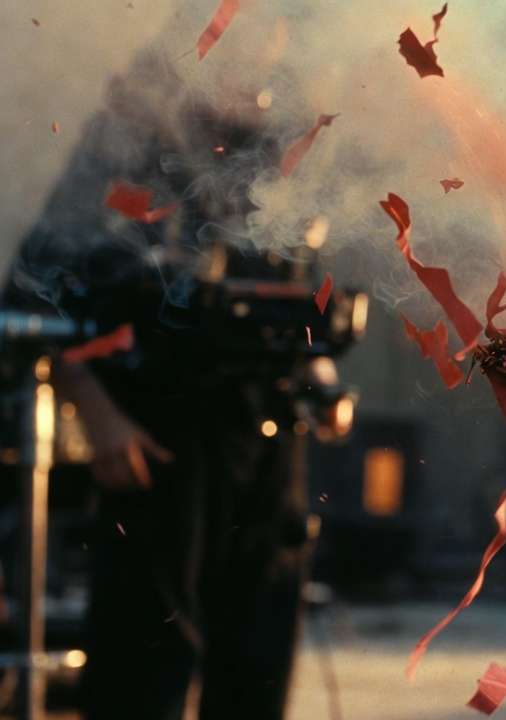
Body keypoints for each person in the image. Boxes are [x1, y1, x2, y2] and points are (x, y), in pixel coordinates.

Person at [3, 45, 342, 719]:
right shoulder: (134, 131)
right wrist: (95, 410)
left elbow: (294, 293)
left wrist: (320, 373)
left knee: (256, 665)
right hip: (158, 434)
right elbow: (38, 287)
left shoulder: (281, 140)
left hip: (269, 438)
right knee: (144, 668)